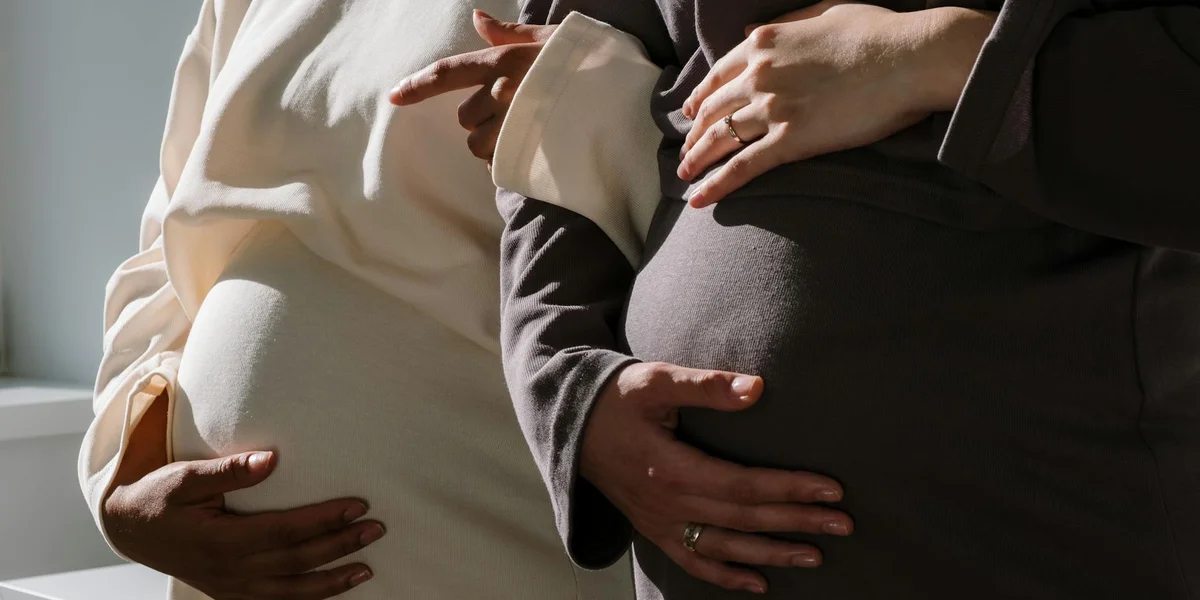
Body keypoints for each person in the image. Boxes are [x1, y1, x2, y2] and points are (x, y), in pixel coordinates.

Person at [396, 0, 1200, 597]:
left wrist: (943, 56)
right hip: (706, 564)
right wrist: (566, 385)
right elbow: (559, 106)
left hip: (1044, 510)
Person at [81, 1, 854, 599]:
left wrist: (588, 106)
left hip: (496, 545)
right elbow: (168, 239)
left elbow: (777, 173)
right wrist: (122, 486)